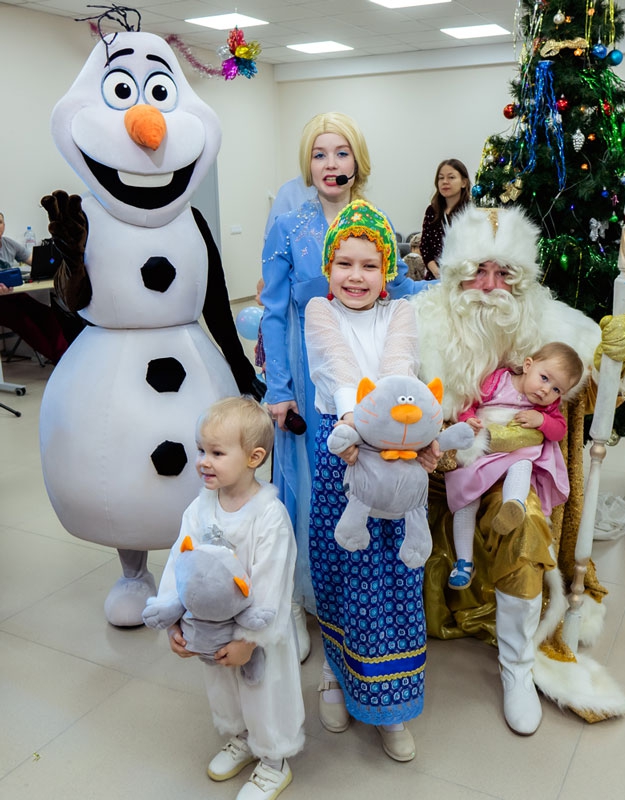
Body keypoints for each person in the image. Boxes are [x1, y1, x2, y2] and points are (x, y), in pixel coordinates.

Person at [412, 204, 625, 735]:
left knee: (527, 528)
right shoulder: (422, 320)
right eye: (479, 271)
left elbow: (602, 381)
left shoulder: (549, 321)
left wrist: (618, 357)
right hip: (437, 469)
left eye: (505, 273)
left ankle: (516, 666)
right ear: (456, 273)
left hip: (516, 465)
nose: (491, 286)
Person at [260, 111, 429, 632]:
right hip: (309, 363)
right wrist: (279, 387)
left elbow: (399, 288)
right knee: (314, 479)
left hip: (372, 364)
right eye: (319, 154)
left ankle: (364, 596)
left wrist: (456, 287)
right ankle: (300, 595)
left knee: (368, 473)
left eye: (341, 152)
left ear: (358, 162)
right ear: (307, 165)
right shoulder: (288, 227)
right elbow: (273, 310)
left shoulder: (376, 219)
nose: (330, 164)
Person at [304, 199, 423, 762]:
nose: (356, 276)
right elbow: (339, 369)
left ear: (387, 270)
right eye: (344, 264)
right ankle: (335, 670)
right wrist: (358, 425)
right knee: (344, 566)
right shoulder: (318, 310)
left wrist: (387, 431)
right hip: (342, 449)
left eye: (369, 265)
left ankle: (391, 703)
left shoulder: (401, 314)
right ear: (329, 268)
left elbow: (400, 369)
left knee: (393, 575)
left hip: (397, 450)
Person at [151, 396, 304, 800]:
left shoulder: (269, 516)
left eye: (217, 453)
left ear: (254, 457)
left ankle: (274, 759)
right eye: (201, 450)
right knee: (223, 687)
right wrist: (172, 619)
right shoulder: (199, 508)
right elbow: (180, 560)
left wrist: (249, 640)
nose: (203, 461)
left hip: (257, 636)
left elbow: (273, 582)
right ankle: (241, 738)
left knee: (264, 692)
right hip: (210, 630)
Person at [447, 341, 584, 590]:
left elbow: (559, 431)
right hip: (483, 451)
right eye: (544, 378)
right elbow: (468, 403)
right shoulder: (497, 381)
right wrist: (469, 420)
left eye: (556, 389)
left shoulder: (546, 407)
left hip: (513, 453)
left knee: (523, 462)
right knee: (465, 502)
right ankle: (464, 562)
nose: (546, 390)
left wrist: (542, 420)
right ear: (528, 365)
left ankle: (514, 504)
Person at [0, 211, 68, 364]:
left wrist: (52, 265)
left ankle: (64, 355)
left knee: (45, 313)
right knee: (22, 320)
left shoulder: (9, 244)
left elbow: (34, 262)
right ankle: (57, 359)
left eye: (0, 222)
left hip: (13, 295)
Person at [419, 158, 470, 279]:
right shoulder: (432, 211)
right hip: (435, 277)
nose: (445, 182)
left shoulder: (471, 212)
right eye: (441, 178)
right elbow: (425, 247)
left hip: (463, 277)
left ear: (464, 182)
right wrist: (436, 272)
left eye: (451, 177)